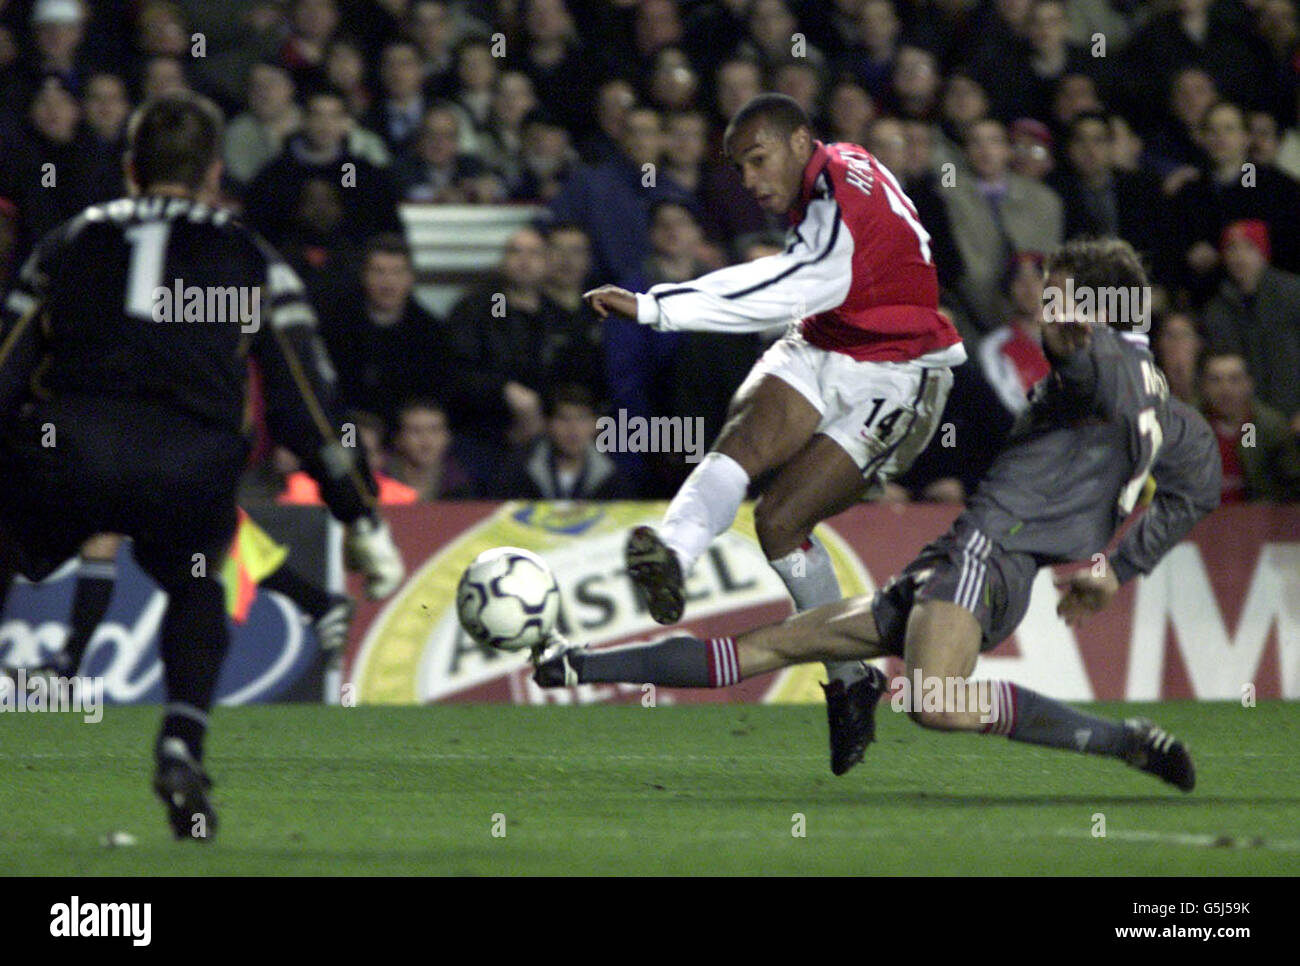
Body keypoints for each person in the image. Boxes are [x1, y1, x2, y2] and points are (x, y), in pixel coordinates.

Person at [539, 238, 1221, 792]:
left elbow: (1091, 360)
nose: (1045, 304)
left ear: (1094, 310)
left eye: (1058, 290)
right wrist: (1118, 568)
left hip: (986, 556)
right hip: (962, 562)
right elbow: (1200, 489)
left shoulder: (1097, 359)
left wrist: (1081, 343)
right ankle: (580, 667)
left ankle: (1123, 742)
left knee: (932, 701)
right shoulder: (1174, 415)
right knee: (773, 646)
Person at [0, 93, 405, 840]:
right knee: (194, 584)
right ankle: (181, 744)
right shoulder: (251, 257)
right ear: (216, 174)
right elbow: (304, 399)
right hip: (185, 464)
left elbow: (6, 363)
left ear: (129, 168)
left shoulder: (67, 242)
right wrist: (360, 510)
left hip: (70, 447)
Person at [582, 93, 965, 775]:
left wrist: (653, 305)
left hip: (898, 370)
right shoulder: (832, 174)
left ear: (799, 142)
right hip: (824, 341)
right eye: (738, 169)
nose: (751, 181)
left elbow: (786, 285)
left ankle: (850, 681)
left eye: (758, 161)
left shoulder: (845, 196)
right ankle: (670, 553)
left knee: (781, 519)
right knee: (740, 440)